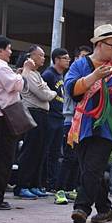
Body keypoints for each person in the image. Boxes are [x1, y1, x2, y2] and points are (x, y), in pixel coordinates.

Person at [65, 24, 112, 223]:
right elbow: (72, 91)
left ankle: (81, 208)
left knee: (92, 167)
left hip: (108, 126)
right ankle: (105, 209)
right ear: (98, 44)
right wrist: (95, 76)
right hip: (83, 125)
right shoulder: (80, 65)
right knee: (91, 170)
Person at [0, 36, 31, 210]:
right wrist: (26, 70)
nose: (11, 52)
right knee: (2, 160)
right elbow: (17, 85)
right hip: (3, 119)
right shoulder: (0, 66)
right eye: (8, 48)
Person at [15, 45, 57, 199]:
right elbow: (44, 94)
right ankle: (22, 185)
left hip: (42, 115)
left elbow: (46, 92)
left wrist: (49, 92)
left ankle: (34, 184)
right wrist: (51, 92)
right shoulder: (28, 74)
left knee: (40, 151)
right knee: (30, 150)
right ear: (31, 56)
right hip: (32, 113)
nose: (43, 58)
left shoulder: (36, 74)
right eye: (40, 55)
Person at [54, 46, 91, 205]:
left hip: (83, 121)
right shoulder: (73, 75)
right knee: (69, 157)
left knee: (77, 158)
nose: (85, 60)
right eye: (82, 57)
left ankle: (70, 188)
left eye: (87, 58)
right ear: (76, 59)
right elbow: (74, 95)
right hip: (71, 121)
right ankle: (59, 190)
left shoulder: (88, 76)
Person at [42, 48, 70, 193]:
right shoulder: (48, 75)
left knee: (56, 153)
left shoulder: (61, 76)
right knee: (47, 151)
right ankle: (44, 183)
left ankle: (52, 184)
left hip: (60, 117)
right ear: (57, 59)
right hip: (50, 117)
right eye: (65, 58)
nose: (68, 60)